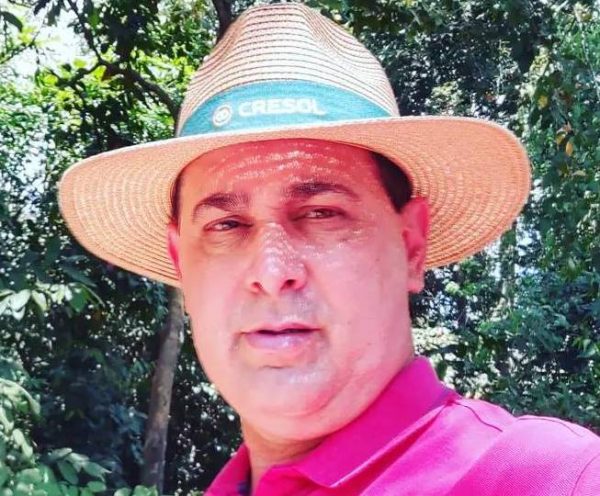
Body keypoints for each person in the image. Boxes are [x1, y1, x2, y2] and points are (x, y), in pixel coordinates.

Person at [58, 3, 600, 495]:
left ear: (411, 246)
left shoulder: (548, 477)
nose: (272, 272)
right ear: (182, 266)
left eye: (321, 213)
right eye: (226, 225)